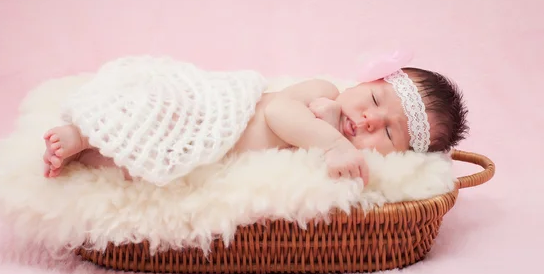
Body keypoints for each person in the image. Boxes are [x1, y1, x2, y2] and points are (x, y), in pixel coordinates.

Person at [43, 65, 469, 186]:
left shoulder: (350, 167)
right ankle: (80, 132)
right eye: (375, 99)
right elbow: (279, 115)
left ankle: (83, 150)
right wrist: (332, 141)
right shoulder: (322, 92)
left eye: (390, 133)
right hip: (208, 113)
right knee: (153, 110)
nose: (369, 119)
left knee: (128, 165)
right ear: (364, 82)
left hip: (204, 153)